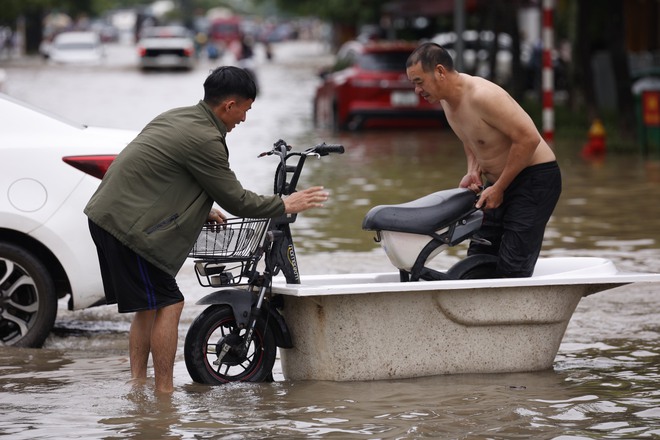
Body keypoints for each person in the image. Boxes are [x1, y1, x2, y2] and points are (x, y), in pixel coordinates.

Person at [84, 66, 328, 394]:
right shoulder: (206, 139)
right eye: (245, 109)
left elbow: (163, 176)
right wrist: (286, 204)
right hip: (128, 229)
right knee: (170, 302)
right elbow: (238, 200)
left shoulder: (178, 117)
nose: (244, 118)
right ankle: (164, 394)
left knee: (147, 307)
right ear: (229, 105)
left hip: (106, 217)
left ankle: (139, 385)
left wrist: (200, 206)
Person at [406, 42, 561, 278]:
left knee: (512, 267)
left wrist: (499, 187)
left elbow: (529, 140)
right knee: (478, 256)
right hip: (498, 184)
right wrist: (473, 170)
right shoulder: (447, 101)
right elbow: (471, 138)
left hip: (534, 179)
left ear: (439, 71)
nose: (417, 91)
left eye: (419, 82)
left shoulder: (482, 95)